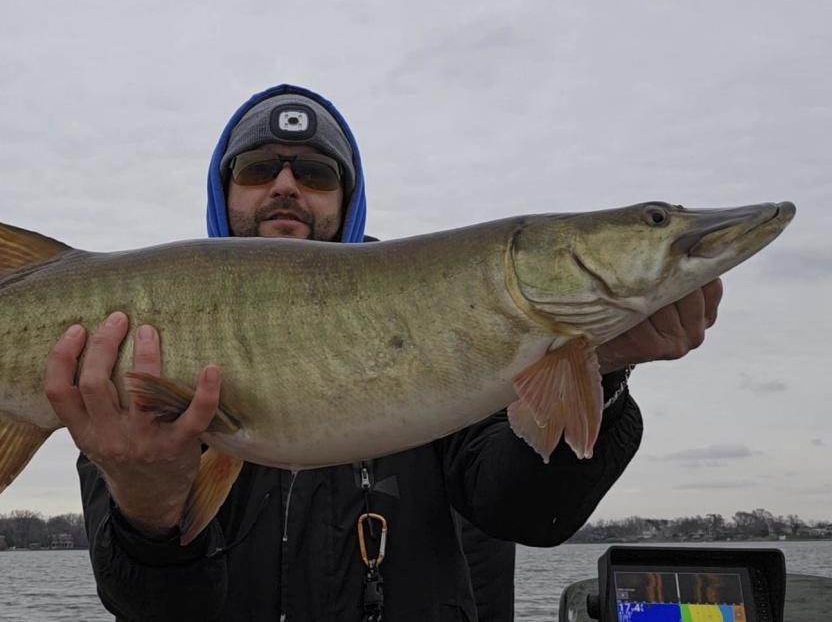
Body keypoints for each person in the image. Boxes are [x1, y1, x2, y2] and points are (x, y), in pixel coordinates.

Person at [43, 84, 723, 621]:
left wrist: (601, 367)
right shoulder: (140, 342)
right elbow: (150, 606)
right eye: (257, 169)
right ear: (224, 193)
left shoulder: (459, 327)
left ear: (347, 198)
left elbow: (526, 509)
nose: (285, 184)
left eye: (313, 171)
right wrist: (148, 513)